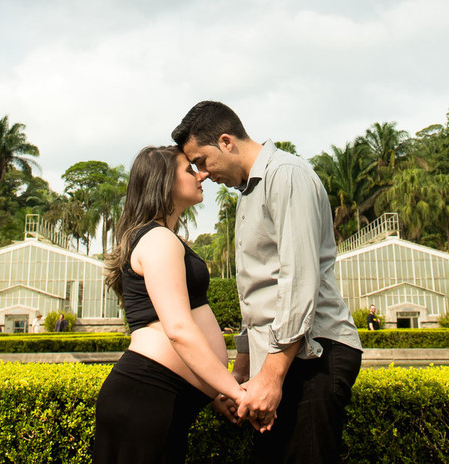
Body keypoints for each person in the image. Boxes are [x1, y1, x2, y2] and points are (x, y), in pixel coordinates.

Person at [173, 101, 363, 464]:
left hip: (313, 354)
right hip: (280, 360)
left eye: (201, 160)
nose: (202, 174)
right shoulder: (249, 192)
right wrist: (243, 371)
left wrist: (272, 377)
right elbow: (256, 292)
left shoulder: (286, 174)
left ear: (226, 142)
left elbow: (298, 279)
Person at [93, 146, 259, 464]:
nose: (203, 174)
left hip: (154, 399)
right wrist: (236, 391)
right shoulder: (158, 239)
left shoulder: (162, 237)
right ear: (164, 182)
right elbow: (179, 329)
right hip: (145, 398)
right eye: (189, 170)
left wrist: (214, 393)